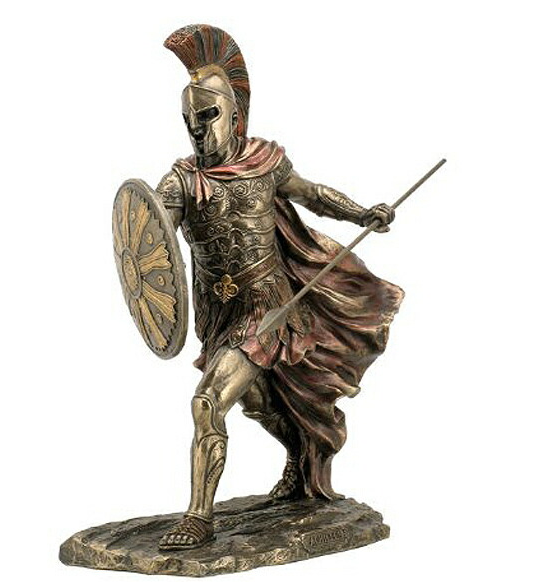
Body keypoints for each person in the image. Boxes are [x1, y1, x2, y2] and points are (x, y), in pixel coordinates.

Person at [155, 24, 404, 550]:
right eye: (189, 120)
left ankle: (199, 517)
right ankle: (302, 455)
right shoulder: (181, 181)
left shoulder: (264, 164)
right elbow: (152, 237)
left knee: (208, 403)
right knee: (262, 404)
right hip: (220, 314)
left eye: (208, 115)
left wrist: (362, 212)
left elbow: (312, 194)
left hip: (268, 309)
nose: (198, 129)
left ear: (234, 115)